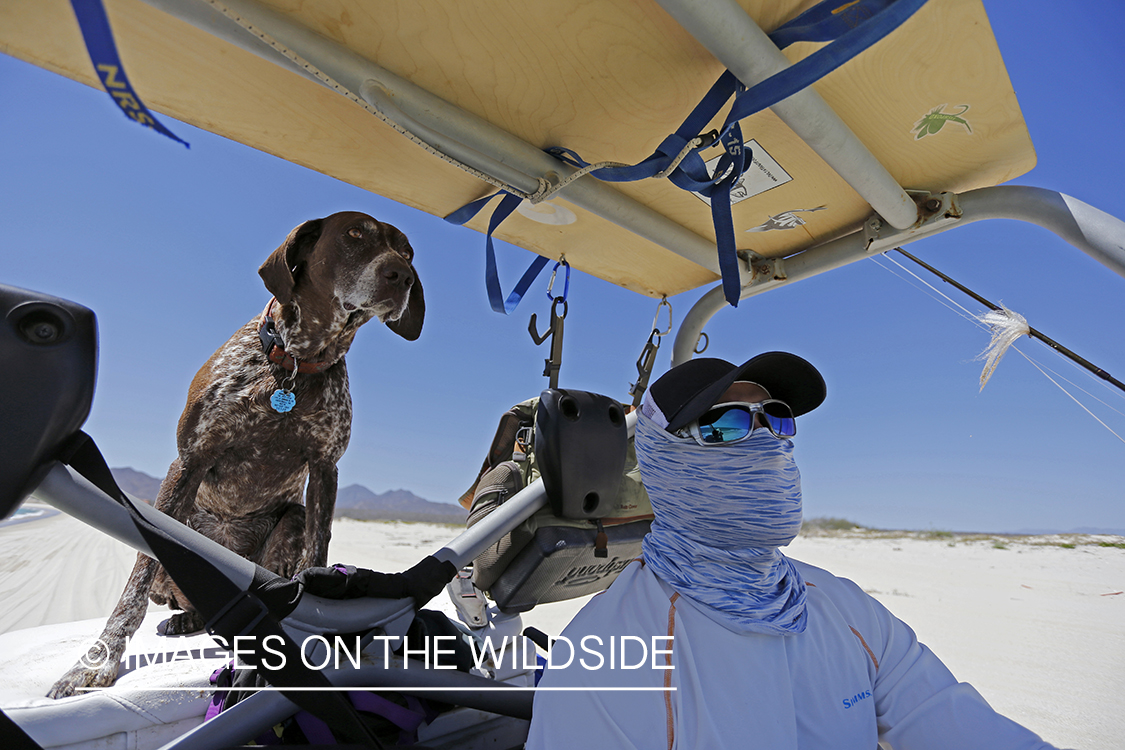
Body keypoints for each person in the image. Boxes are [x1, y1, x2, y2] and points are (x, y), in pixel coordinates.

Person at [526, 352, 1059, 749]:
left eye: (775, 418)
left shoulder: (843, 608)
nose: (767, 441)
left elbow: (948, 718)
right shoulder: (605, 660)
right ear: (667, 461)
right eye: (726, 424)